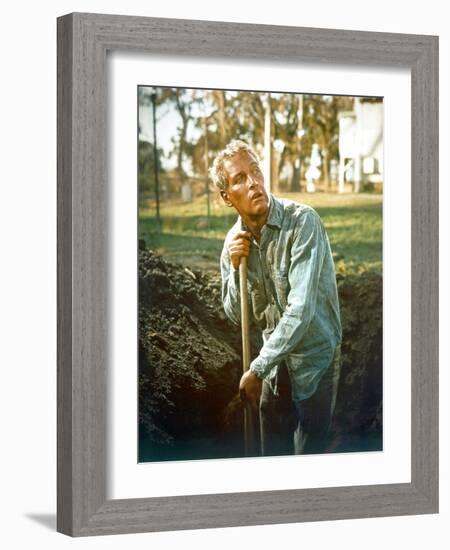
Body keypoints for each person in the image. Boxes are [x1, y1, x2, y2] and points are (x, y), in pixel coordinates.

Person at [209, 139, 342, 456]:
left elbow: (300, 310)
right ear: (227, 197)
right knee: (273, 456)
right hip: (274, 367)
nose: (253, 182)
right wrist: (233, 264)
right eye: (240, 178)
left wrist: (256, 370)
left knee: (308, 456)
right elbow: (234, 314)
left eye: (255, 171)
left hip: (315, 360)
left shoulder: (302, 222)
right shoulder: (233, 242)